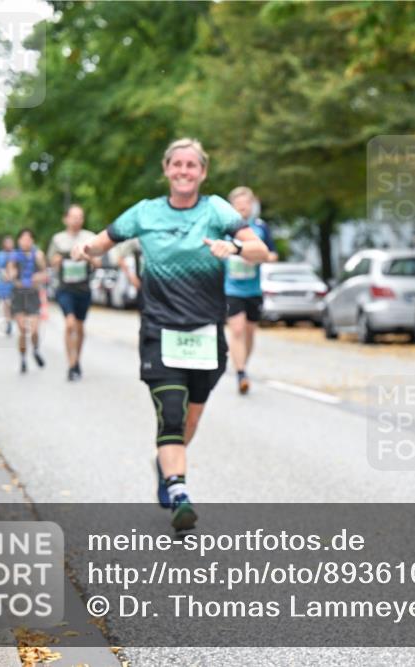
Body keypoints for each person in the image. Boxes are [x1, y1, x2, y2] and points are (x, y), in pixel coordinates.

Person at [71, 138, 269, 532]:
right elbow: (102, 240)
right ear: (166, 169)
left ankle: (165, 465)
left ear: (202, 172)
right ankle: (179, 491)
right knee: (172, 412)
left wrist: (231, 246)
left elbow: (259, 250)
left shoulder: (216, 209)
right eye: (176, 164)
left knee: (191, 417)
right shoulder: (145, 213)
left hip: (205, 332)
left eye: (191, 165)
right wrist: (84, 249)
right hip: (160, 331)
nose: (183, 171)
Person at [223, 186, 278, 394]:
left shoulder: (260, 228)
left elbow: (272, 254)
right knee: (236, 329)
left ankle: (242, 365)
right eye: (238, 205)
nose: (243, 208)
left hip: (253, 289)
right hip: (231, 289)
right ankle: (241, 373)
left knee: (249, 332)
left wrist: (257, 256)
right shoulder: (226, 229)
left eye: (246, 204)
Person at [47, 204, 100, 381]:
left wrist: (87, 257)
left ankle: (77, 360)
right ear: (66, 218)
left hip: (83, 289)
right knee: (69, 324)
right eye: (74, 216)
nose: (77, 220)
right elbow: (51, 261)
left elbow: (98, 262)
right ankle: (71, 364)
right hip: (65, 289)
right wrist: (59, 260)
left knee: (79, 326)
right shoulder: (58, 239)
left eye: (80, 217)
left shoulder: (90, 237)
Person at [8, 229, 48, 373]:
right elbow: (9, 272)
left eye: (28, 238)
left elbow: (45, 273)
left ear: (32, 241)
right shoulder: (14, 256)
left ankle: (36, 350)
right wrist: (11, 275)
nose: (26, 241)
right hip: (18, 295)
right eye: (23, 238)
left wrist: (39, 277)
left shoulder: (38, 255)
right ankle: (23, 358)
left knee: (35, 330)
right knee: (23, 329)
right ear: (19, 241)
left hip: (33, 294)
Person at [0, 235, 15, 335]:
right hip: (3, 282)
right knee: (6, 302)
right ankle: (8, 322)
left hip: (14, 281)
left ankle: (12, 317)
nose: (9, 245)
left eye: (11, 242)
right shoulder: (0, 255)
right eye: (7, 243)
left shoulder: (16, 254)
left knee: (12, 303)